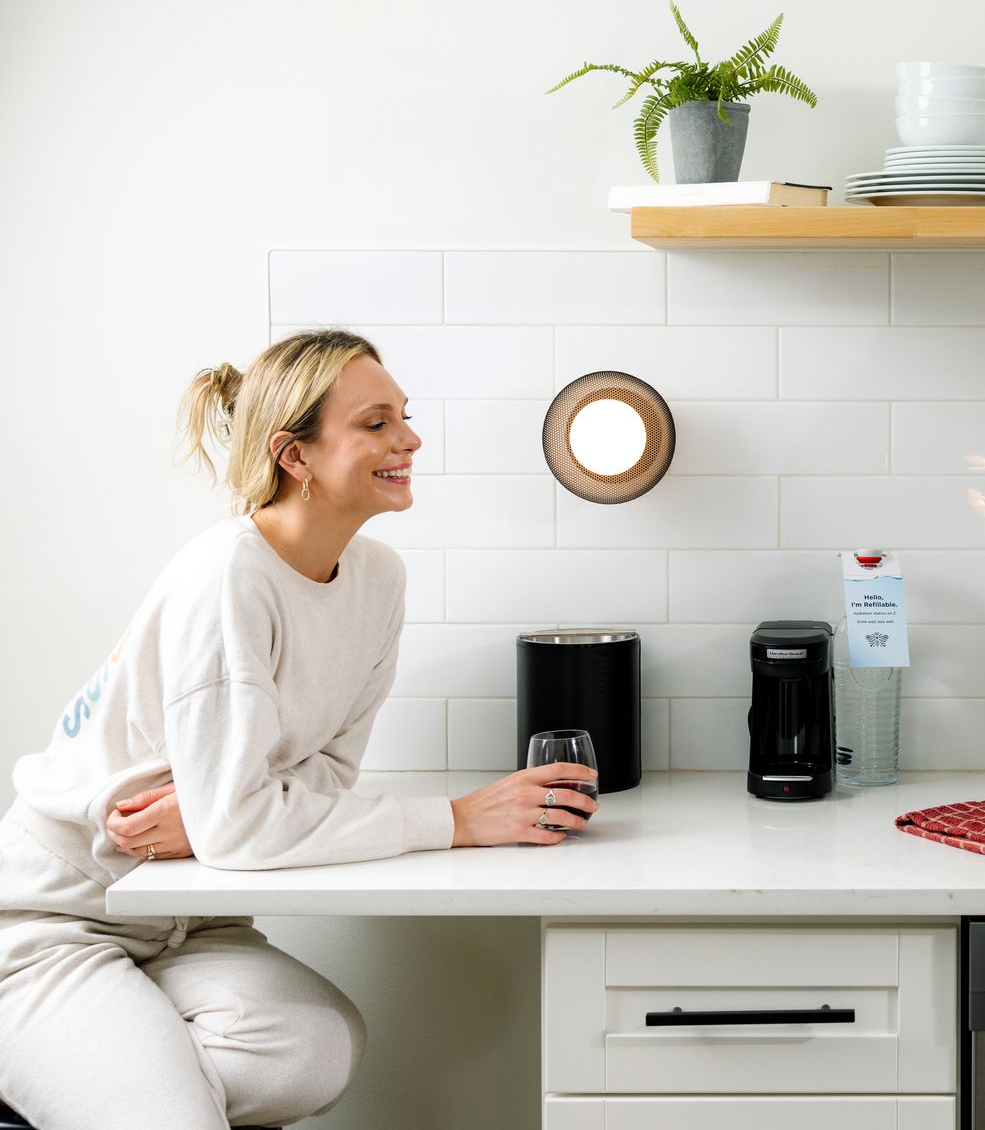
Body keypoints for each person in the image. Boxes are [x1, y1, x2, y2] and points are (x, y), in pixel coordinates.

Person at [0, 330, 599, 1130]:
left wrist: (222, 817)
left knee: (315, 1045)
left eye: (404, 417)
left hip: (194, 918)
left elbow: (323, 777)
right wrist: (454, 819)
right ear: (296, 455)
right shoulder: (228, 575)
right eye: (376, 422)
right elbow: (244, 823)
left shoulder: (378, 580)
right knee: (167, 1116)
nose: (409, 439)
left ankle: (118, 1084)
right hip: (59, 920)